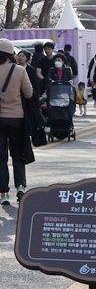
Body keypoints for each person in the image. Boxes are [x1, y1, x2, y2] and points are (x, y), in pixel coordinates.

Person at [0, 38, 34, 205]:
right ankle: (20, 187)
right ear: (10, 54)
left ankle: (4, 193)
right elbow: (29, 93)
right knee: (18, 156)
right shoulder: (20, 70)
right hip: (17, 119)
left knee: (1, 158)